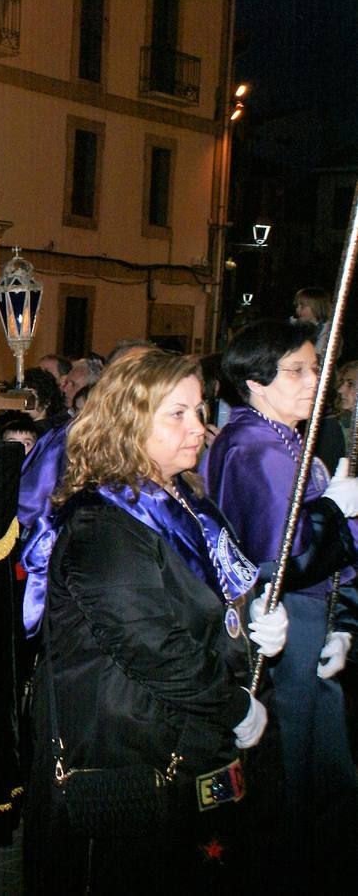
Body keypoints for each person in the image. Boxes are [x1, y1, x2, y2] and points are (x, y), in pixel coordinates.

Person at [22, 350, 285, 894]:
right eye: (178, 414)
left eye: (200, 410)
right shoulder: (105, 524)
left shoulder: (184, 497)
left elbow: (216, 586)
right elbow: (152, 647)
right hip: (135, 748)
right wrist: (233, 704)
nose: (199, 427)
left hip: (188, 735)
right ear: (130, 422)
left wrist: (254, 613)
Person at [202, 319, 358, 890]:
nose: (313, 380)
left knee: (323, 762)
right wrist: (336, 510)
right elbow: (281, 561)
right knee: (296, 767)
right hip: (283, 622)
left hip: (313, 615)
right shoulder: (258, 448)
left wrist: (345, 622)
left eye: (315, 368)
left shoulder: (280, 437)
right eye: (296, 370)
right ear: (256, 383)